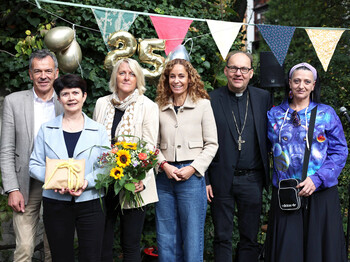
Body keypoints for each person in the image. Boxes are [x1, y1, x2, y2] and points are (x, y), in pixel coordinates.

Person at [265, 62, 348, 262]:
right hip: (287, 194)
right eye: (297, 81)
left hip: (320, 194)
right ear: (290, 83)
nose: (301, 85)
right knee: (288, 252)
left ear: (313, 85)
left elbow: (340, 151)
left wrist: (318, 178)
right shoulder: (274, 115)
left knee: (319, 252)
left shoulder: (326, 114)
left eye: (307, 82)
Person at [29, 74, 109, 261]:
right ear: (58, 99)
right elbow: (34, 164)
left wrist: (86, 182)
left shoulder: (99, 130)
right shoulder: (46, 129)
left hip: (91, 202)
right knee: (60, 256)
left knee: (91, 257)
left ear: (84, 96)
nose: (71, 98)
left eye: (75, 92)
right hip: (56, 203)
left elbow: (107, 167)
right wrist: (53, 180)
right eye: (65, 94)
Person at [206, 51, 271, 262]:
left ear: (251, 73)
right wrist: (205, 179)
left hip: (253, 178)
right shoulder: (210, 99)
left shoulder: (263, 98)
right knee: (222, 236)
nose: (238, 73)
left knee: (250, 237)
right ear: (226, 71)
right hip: (220, 177)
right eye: (233, 68)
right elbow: (201, 141)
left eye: (244, 69)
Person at [0, 49, 63, 262]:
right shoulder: (13, 102)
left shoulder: (66, 102)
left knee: (53, 247)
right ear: (30, 74)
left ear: (56, 73)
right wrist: (12, 188)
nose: (43, 76)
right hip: (25, 183)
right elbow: (6, 149)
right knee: (25, 248)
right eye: (38, 71)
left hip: (58, 181)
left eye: (48, 71)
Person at [93, 58, 159, 262]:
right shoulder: (102, 103)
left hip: (134, 183)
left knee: (130, 245)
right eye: (122, 73)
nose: (126, 77)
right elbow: (95, 141)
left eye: (131, 74)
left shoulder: (147, 106)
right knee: (102, 241)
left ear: (138, 78)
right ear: (115, 77)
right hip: (105, 182)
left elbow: (149, 146)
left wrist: (142, 178)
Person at [155, 58, 218, 262]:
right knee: (166, 238)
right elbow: (151, 144)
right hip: (164, 179)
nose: (176, 80)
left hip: (191, 178)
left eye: (181, 76)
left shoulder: (203, 105)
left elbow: (212, 144)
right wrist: (163, 165)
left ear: (190, 78)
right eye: (172, 76)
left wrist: (193, 168)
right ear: (166, 79)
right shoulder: (158, 107)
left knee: (192, 237)